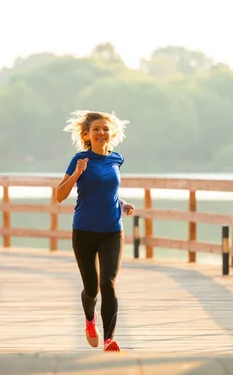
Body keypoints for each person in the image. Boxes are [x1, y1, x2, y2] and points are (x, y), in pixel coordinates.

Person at [56, 110, 135, 353]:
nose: (101, 133)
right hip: (84, 231)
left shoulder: (117, 159)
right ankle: (90, 320)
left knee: (108, 283)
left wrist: (122, 204)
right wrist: (78, 172)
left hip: (112, 230)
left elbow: (108, 191)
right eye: (96, 130)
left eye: (105, 129)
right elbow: (59, 196)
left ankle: (109, 338)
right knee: (91, 289)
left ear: (111, 134)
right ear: (87, 135)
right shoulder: (80, 159)